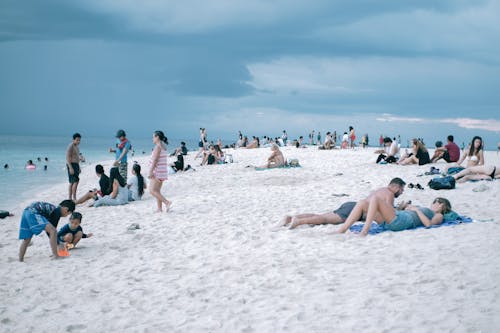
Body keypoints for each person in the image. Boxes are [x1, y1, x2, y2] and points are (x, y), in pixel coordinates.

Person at [335, 177, 406, 234]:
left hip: (357, 209)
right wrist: (401, 208)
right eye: (401, 189)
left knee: (361, 203)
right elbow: (390, 214)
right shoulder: (390, 194)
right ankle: (363, 232)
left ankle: (342, 230)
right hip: (365, 215)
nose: (402, 192)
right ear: (396, 187)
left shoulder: (381, 190)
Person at [351, 197, 451, 236]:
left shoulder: (439, 215)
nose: (433, 204)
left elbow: (429, 224)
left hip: (402, 221)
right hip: (398, 217)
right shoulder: (427, 210)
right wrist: (404, 207)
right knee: (363, 203)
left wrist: (416, 210)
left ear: (441, 205)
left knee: (376, 200)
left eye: (435, 202)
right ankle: (342, 230)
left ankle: (364, 231)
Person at [149, 130, 172, 212]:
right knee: (157, 191)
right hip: (163, 172)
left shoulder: (158, 147)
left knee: (152, 191)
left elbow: (155, 160)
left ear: (157, 137)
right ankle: (159, 209)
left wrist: (151, 171)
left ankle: (167, 202)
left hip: (157, 171)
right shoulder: (163, 146)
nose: (152, 139)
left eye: (153, 137)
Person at [65, 133, 82, 201]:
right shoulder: (70, 146)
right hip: (71, 165)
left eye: (79, 140)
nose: (78, 141)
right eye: (77, 140)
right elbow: (67, 157)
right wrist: (70, 167)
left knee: (73, 182)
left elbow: (77, 157)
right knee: (75, 181)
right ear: (73, 140)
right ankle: (73, 197)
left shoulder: (77, 147)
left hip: (76, 165)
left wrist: (79, 167)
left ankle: (70, 198)